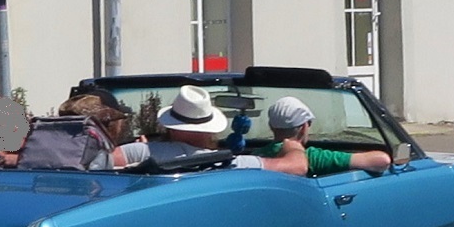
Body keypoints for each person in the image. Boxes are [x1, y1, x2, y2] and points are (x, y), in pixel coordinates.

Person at [117, 85, 307, 173]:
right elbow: (297, 167)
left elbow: (98, 160)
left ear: (170, 126)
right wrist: (293, 145)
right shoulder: (230, 164)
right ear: (210, 130)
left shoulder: (143, 152)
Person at [253, 96, 392, 175]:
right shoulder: (314, 157)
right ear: (304, 127)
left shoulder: (258, 156)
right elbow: (382, 160)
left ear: (271, 126)